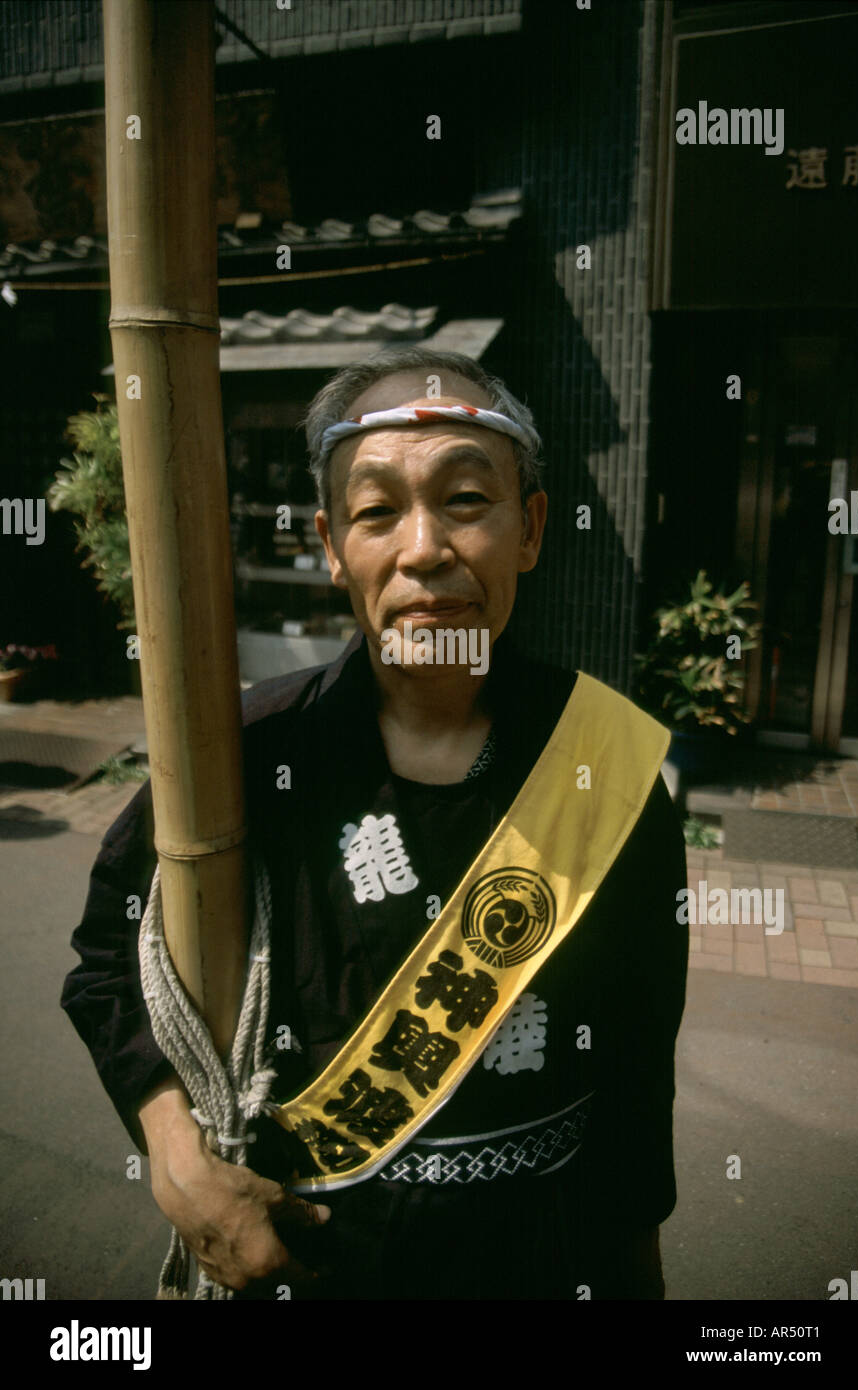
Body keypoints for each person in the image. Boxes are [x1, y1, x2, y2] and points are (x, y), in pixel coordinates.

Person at [61, 346, 688, 1300]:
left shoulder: (614, 764)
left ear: (529, 528)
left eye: (466, 500)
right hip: (317, 1266)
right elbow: (110, 957)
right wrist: (178, 1158)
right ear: (329, 545)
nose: (424, 547)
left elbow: (638, 1087)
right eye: (376, 511)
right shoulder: (243, 755)